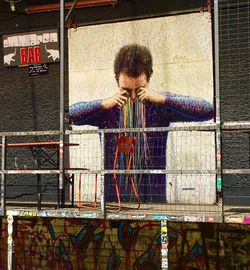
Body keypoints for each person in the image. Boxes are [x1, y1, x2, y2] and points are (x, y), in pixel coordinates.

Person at [69, 44, 213, 203]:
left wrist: (166, 99)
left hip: (153, 197)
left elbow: (207, 110)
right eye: (125, 90)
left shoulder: (159, 107)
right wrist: (102, 104)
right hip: (114, 199)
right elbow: (71, 114)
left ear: (149, 77)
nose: (132, 97)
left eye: (139, 89)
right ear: (116, 77)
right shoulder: (108, 109)